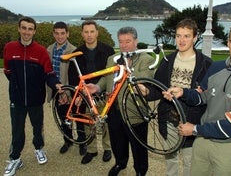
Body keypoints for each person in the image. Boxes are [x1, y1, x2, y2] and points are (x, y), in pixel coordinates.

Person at [163, 22, 231, 176]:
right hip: (202, 141)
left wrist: (195, 129)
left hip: (228, 146)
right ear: (228, 43)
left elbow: (230, 126)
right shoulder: (216, 67)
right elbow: (201, 97)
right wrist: (183, 93)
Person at [85, 26, 155, 176]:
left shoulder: (146, 59)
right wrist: (96, 87)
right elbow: (106, 79)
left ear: (136, 41)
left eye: (128, 41)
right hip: (114, 110)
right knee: (117, 142)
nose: (124, 45)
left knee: (138, 146)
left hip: (135, 112)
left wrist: (128, 68)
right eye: (121, 42)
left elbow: (145, 79)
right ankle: (120, 163)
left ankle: (140, 171)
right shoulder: (112, 59)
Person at [152, 18, 212, 176]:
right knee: (170, 158)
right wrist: (144, 91)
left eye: (186, 36)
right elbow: (156, 88)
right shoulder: (167, 60)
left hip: (191, 120)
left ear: (195, 38)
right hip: (168, 117)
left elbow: (208, 96)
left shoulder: (206, 64)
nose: (181, 40)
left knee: (189, 161)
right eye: (178, 36)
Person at [3, 16, 61, 176]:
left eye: (30, 29)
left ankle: (39, 148)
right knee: (17, 130)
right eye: (24, 28)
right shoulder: (9, 47)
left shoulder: (41, 51)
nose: (27, 32)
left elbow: (48, 73)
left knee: (38, 127)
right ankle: (15, 158)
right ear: (19, 29)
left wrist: (56, 84)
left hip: (36, 99)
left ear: (34, 31)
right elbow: (7, 71)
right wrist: (17, 86)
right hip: (17, 99)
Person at [68, 20, 115, 164]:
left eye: (92, 31)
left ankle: (107, 149)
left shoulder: (108, 50)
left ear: (97, 33)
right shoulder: (76, 53)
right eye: (86, 32)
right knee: (89, 122)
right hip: (85, 94)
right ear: (82, 34)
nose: (89, 35)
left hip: (103, 92)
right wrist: (77, 95)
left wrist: (109, 90)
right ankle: (92, 150)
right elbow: (72, 77)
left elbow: (112, 74)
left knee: (106, 122)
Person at [46, 21, 77, 154]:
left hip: (69, 89)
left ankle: (82, 142)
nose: (60, 37)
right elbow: (47, 71)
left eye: (62, 33)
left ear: (67, 34)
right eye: (57, 33)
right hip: (55, 88)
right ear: (53, 34)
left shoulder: (74, 50)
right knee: (63, 117)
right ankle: (68, 140)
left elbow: (74, 75)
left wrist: (67, 92)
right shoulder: (49, 50)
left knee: (76, 116)